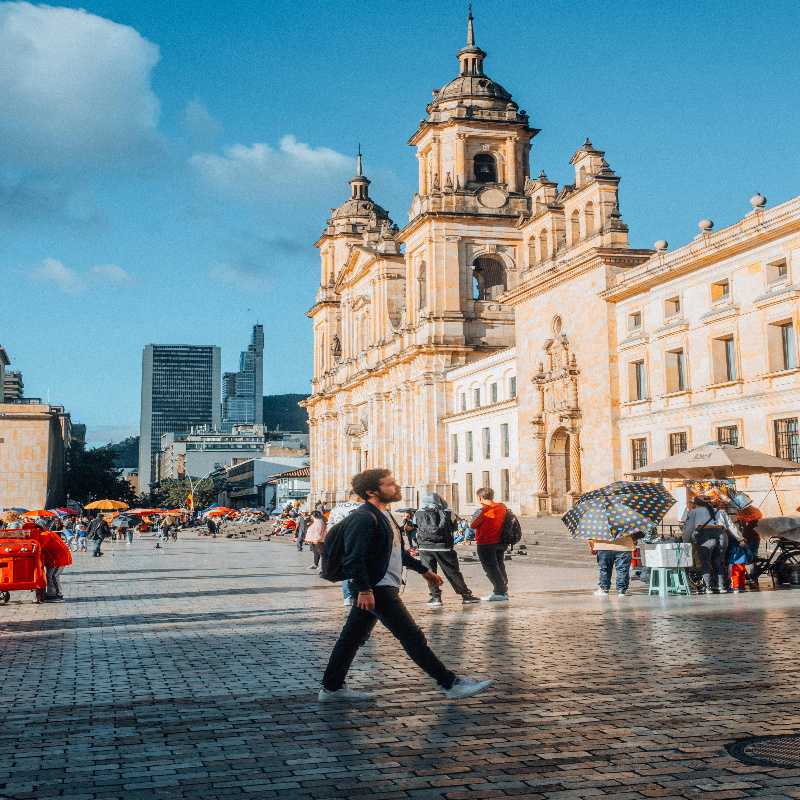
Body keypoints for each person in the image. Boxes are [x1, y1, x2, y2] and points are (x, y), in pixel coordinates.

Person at [319, 468, 494, 703]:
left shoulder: (384, 515)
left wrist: (424, 571)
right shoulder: (363, 518)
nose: (396, 487)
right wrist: (363, 589)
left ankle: (331, 688)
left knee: (350, 639)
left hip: (381, 586)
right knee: (412, 637)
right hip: (377, 588)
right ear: (371, 491)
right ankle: (449, 684)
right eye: (389, 484)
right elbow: (354, 557)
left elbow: (395, 551)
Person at [414, 493, 479, 608]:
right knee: (452, 572)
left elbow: (415, 526)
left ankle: (435, 598)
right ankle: (466, 596)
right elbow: (454, 527)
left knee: (430, 573)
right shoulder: (449, 513)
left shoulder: (418, 513)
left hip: (425, 547)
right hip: (444, 547)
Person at [682, 495, 737, 594]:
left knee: (705, 562)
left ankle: (709, 587)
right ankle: (721, 586)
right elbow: (731, 526)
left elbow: (689, 529)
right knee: (719, 561)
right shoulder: (721, 512)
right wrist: (740, 538)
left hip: (704, 537)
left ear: (696, 504)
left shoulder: (694, 512)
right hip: (722, 536)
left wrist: (685, 541)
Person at [471, 487, 510, 602]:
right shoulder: (502, 507)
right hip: (500, 541)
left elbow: (473, 525)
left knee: (490, 567)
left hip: (485, 542)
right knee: (499, 565)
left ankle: (500, 591)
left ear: (480, 497)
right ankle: (503, 590)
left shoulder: (485, 510)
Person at [328, 491, 363, 607]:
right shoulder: (363, 507)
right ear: (358, 497)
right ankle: (359, 594)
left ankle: (347, 597)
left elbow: (330, 526)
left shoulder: (337, 508)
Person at [40, 527, 73, 601]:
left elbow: (40, 546)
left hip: (57, 558)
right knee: (49, 576)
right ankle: (51, 593)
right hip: (53, 558)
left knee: (53, 575)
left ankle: (57, 594)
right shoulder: (47, 533)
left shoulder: (45, 535)